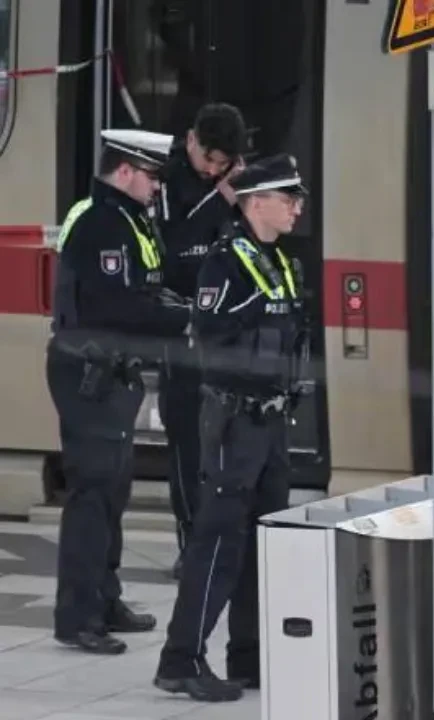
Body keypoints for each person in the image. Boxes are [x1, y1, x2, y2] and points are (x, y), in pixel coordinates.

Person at [154, 154, 310, 701]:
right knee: (218, 542)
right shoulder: (225, 263)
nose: (297, 207)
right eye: (288, 197)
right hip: (235, 423)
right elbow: (211, 335)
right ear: (255, 203)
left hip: (271, 422)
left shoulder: (279, 260)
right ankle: (181, 659)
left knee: (262, 544)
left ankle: (248, 656)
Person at [48, 129, 192, 654]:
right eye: (151, 175)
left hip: (112, 372)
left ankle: (105, 600)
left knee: (113, 492)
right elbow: (119, 306)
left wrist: (178, 307)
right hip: (89, 374)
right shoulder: (101, 223)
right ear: (125, 171)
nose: (157, 186)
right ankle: (78, 616)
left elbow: (146, 288)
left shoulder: (129, 219)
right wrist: (186, 320)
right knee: (92, 495)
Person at [156, 102, 248, 579]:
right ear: (191, 140)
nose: (213, 171)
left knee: (231, 440)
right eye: (208, 159)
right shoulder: (165, 179)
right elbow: (172, 249)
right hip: (184, 327)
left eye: (223, 164)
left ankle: (230, 538)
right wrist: (220, 198)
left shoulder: (237, 182)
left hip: (230, 328)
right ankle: (191, 540)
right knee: (188, 443)